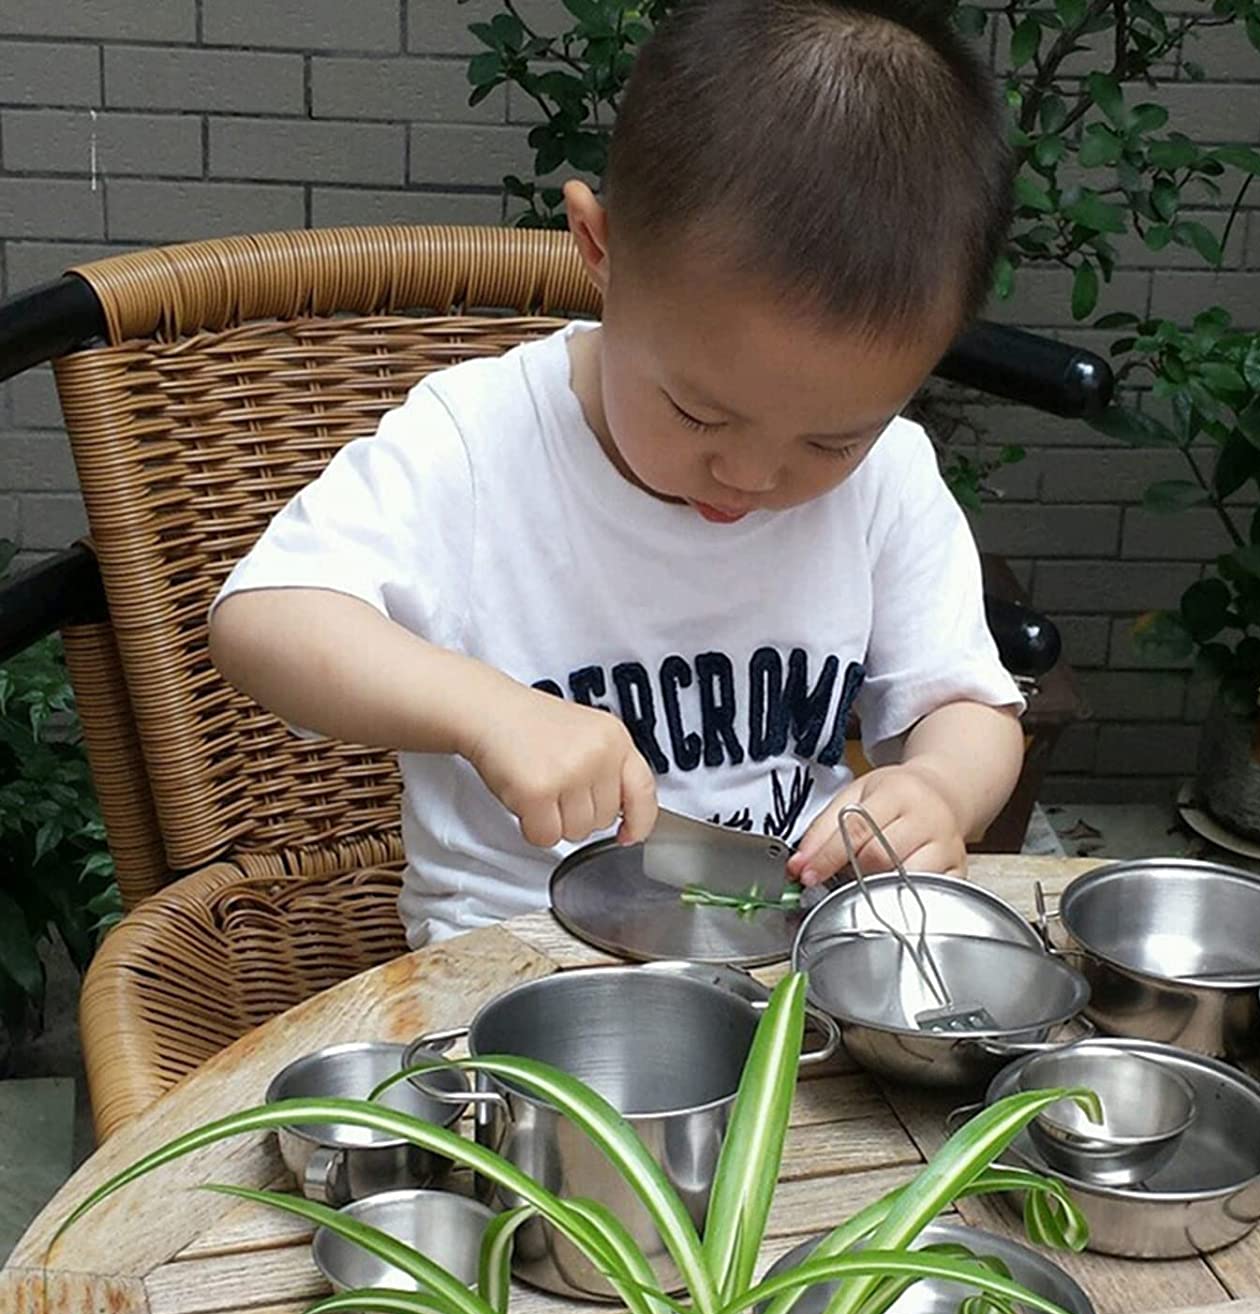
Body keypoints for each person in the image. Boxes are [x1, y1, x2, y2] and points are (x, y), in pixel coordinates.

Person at [210, 0, 1026, 949]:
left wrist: (938, 786)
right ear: (598, 249)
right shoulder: (478, 444)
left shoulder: (887, 480)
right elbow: (265, 619)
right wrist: (489, 712)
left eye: (829, 443)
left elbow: (968, 706)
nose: (749, 473)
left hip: (784, 942)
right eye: (699, 414)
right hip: (517, 954)